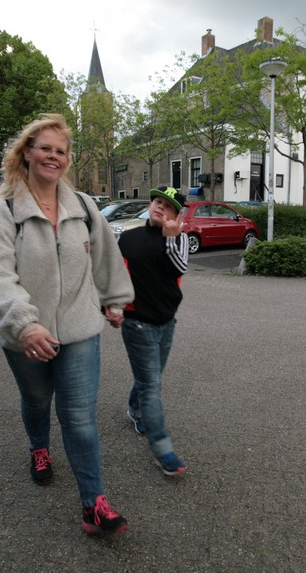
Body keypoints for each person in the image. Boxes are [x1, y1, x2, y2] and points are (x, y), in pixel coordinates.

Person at [0, 113, 135, 537]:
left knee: (79, 416)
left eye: (61, 151)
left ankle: (94, 504)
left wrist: (114, 299)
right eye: (45, 148)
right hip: (26, 336)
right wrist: (24, 324)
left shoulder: (83, 206)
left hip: (80, 329)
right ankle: (39, 448)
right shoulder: (4, 210)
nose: (53, 156)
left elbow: (106, 256)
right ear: (27, 152)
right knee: (37, 399)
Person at [117, 187, 189, 477]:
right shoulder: (128, 238)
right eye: (158, 201)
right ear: (150, 204)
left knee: (152, 375)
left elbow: (179, 269)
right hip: (137, 322)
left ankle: (134, 408)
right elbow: (114, 275)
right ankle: (162, 449)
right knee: (151, 385)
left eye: (168, 206)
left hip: (167, 321)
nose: (160, 207)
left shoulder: (180, 239)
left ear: (176, 215)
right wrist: (111, 306)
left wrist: (170, 239)